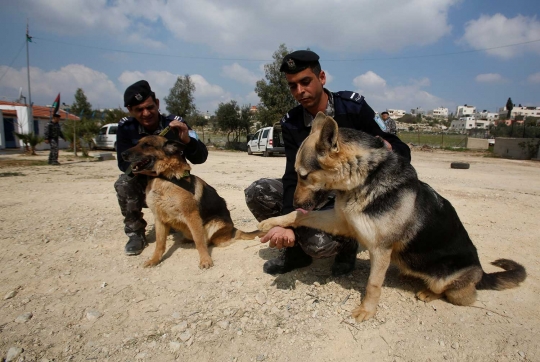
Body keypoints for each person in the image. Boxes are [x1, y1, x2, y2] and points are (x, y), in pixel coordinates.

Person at [245, 50, 411, 276]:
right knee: (258, 191)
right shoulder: (292, 122)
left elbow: (398, 148)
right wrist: (285, 223)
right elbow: (293, 175)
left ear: (321, 77)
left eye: (305, 82)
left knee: (319, 245)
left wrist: (389, 148)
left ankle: (348, 245)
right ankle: (294, 252)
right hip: (316, 186)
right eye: (293, 86)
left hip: (350, 196)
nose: (300, 91)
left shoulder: (353, 107)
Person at [114, 80, 208, 255]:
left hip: (172, 181)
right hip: (144, 180)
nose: (146, 113)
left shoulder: (175, 124)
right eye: (139, 110)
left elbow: (201, 157)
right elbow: (123, 163)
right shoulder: (126, 128)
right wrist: (152, 170)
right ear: (130, 110)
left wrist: (187, 140)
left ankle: (174, 220)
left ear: (157, 104)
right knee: (124, 183)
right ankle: (135, 232)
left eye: (150, 107)